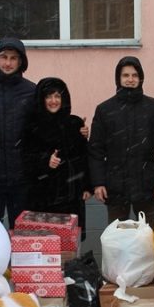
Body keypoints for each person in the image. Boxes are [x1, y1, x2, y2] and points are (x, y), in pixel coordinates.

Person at [89, 56, 154, 223]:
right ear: (118, 78)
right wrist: (98, 183)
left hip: (147, 185)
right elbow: (95, 151)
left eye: (134, 75)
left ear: (141, 78)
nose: (130, 79)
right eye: (125, 75)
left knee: (146, 238)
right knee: (116, 239)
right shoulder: (104, 110)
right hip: (114, 187)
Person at [0, 37, 35, 226]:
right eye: (4, 57)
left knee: (21, 233)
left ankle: (18, 258)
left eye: (13, 58)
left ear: (21, 62)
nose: (8, 63)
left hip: (21, 177)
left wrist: (76, 129)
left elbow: (44, 126)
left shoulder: (31, 91)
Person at [23, 77, 91, 229]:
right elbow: (25, 158)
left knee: (70, 241)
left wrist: (87, 185)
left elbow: (83, 156)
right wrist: (45, 161)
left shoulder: (74, 123)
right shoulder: (32, 126)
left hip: (71, 195)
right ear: (41, 99)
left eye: (57, 96)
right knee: (46, 241)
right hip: (42, 196)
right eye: (48, 96)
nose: (53, 101)